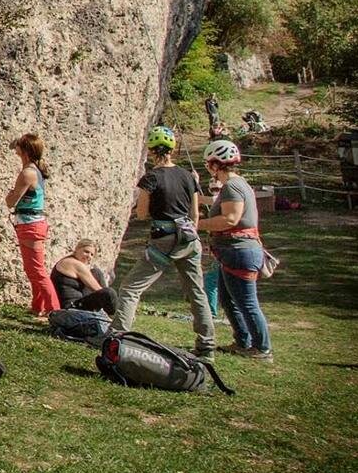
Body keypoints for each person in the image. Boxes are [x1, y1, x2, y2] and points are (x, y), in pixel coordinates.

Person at [112, 126, 216, 358]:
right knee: (197, 292)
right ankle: (207, 346)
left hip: (164, 239)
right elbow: (195, 215)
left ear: (150, 150)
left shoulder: (151, 178)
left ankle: (116, 336)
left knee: (130, 288)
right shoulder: (189, 176)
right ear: (172, 149)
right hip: (189, 238)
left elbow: (141, 213)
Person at [200, 140, 272, 362]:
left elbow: (230, 219)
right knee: (228, 299)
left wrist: (195, 224)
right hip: (234, 251)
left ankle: (262, 349)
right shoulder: (236, 185)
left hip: (239, 251)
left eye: (208, 164)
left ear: (215, 164)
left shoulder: (232, 186)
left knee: (247, 302)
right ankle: (243, 341)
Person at [4, 133, 60, 315]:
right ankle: (38, 307)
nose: (16, 150)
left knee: (36, 270)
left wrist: (9, 194)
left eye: (19, 147)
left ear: (25, 151)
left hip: (30, 225)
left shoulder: (27, 173)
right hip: (32, 223)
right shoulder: (35, 169)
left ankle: (54, 311)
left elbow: (11, 201)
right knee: (32, 269)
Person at [49, 239, 116, 313]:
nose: (89, 256)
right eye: (86, 251)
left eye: (92, 254)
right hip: (71, 308)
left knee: (96, 272)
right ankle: (115, 317)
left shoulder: (68, 260)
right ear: (77, 249)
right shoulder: (75, 264)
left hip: (77, 303)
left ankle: (108, 313)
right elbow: (99, 290)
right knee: (109, 293)